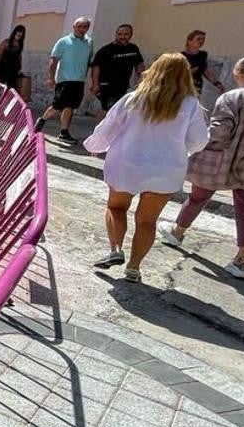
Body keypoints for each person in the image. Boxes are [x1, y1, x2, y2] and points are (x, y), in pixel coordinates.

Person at [160, 54, 244, 280]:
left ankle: (177, 232)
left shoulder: (232, 97)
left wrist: (196, 142)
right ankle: (241, 261)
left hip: (224, 161)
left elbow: (219, 132)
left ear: (241, 74)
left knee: (198, 196)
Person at [83, 53, 208, 283]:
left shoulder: (134, 98)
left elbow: (110, 125)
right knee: (147, 221)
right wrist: (181, 148)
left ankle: (116, 249)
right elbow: (199, 141)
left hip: (127, 164)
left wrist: (95, 145)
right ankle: (133, 267)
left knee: (116, 208)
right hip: (165, 169)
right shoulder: (191, 105)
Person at [34, 17, 94, 143]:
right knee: (58, 105)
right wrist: (50, 78)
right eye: (79, 26)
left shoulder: (89, 43)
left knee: (70, 106)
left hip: (79, 81)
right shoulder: (63, 42)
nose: (82, 29)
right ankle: (42, 120)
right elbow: (53, 61)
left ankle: (64, 132)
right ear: (74, 27)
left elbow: (88, 61)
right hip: (64, 80)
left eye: (85, 27)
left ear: (88, 28)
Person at [89, 24, 145, 119]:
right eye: (119, 34)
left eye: (126, 34)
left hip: (123, 86)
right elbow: (95, 68)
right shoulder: (106, 50)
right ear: (116, 35)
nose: (122, 37)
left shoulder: (133, 48)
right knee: (107, 110)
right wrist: (95, 84)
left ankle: (110, 132)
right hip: (106, 85)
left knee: (119, 112)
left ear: (131, 35)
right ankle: (101, 131)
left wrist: (142, 78)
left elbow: (139, 65)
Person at [183, 30, 225, 96]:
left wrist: (217, 83)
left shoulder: (203, 55)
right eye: (198, 39)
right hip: (183, 87)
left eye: (203, 39)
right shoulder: (182, 56)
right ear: (189, 41)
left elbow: (206, 71)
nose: (201, 41)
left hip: (197, 86)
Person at [0, 25, 26, 89]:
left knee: (11, 88)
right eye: (19, 31)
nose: (20, 34)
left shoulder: (20, 45)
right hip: (3, 68)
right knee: (0, 87)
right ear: (15, 32)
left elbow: (19, 57)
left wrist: (20, 68)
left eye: (22, 33)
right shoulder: (6, 42)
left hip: (13, 70)